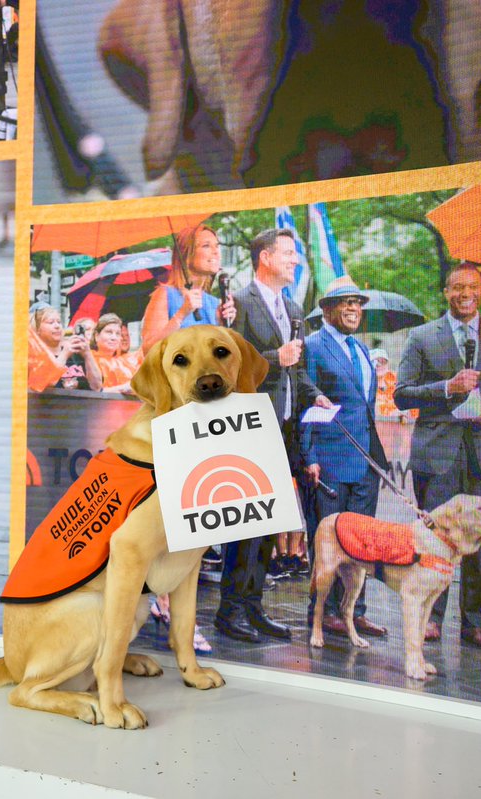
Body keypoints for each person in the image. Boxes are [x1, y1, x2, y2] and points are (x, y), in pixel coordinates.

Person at [394, 263, 481, 652]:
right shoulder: (421, 337)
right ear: (445, 293)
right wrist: (445, 387)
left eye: (472, 287)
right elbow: (402, 394)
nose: (465, 293)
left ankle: (475, 623)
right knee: (435, 538)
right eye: (457, 287)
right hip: (438, 453)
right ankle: (431, 618)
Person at [213, 228, 323, 643]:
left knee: (271, 522)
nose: (295, 261)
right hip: (249, 424)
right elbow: (229, 362)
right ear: (264, 257)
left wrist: (317, 395)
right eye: (288, 254)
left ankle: (254, 606)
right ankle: (230, 609)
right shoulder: (238, 303)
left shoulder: (293, 307)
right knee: (245, 523)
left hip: (286, 428)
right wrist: (276, 358)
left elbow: (299, 369)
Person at [301, 278, 389, 641]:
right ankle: (323, 612)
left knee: (361, 542)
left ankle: (355, 612)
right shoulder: (312, 346)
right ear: (326, 310)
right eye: (345, 303)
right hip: (330, 461)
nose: (353, 309)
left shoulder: (363, 349)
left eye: (357, 303)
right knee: (329, 542)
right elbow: (306, 402)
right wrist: (309, 455)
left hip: (365, 460)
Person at [140, 225, 236, 352]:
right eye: (206, 246)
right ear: (187, 254)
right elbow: (148, 350)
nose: (216, 251)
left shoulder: (213, 303)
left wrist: (223, 326)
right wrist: (181, 314)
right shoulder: (165, 295)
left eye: (217, 245)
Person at [26, 306, 102, 392]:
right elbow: (44, 383)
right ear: (37, 329)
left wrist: (87, 354)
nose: (57, 326)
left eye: (59, 322)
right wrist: (65, 354)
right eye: (51, 322)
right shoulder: (36, 356)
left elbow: (97, 387)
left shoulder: (76, 353)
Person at [89, 314, 142, 393]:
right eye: (109, 332)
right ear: (97, 336)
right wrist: (122, 388)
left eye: (117, 334)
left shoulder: (125, 361)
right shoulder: (88, 358)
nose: (114, 338)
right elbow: (90, 392)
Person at [372, 348, 415, 423]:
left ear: (387, 365)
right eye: (375, 362)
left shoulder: (398, 380)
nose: (379, 365)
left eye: (383, 361)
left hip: (403, 427)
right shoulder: (364, 386)